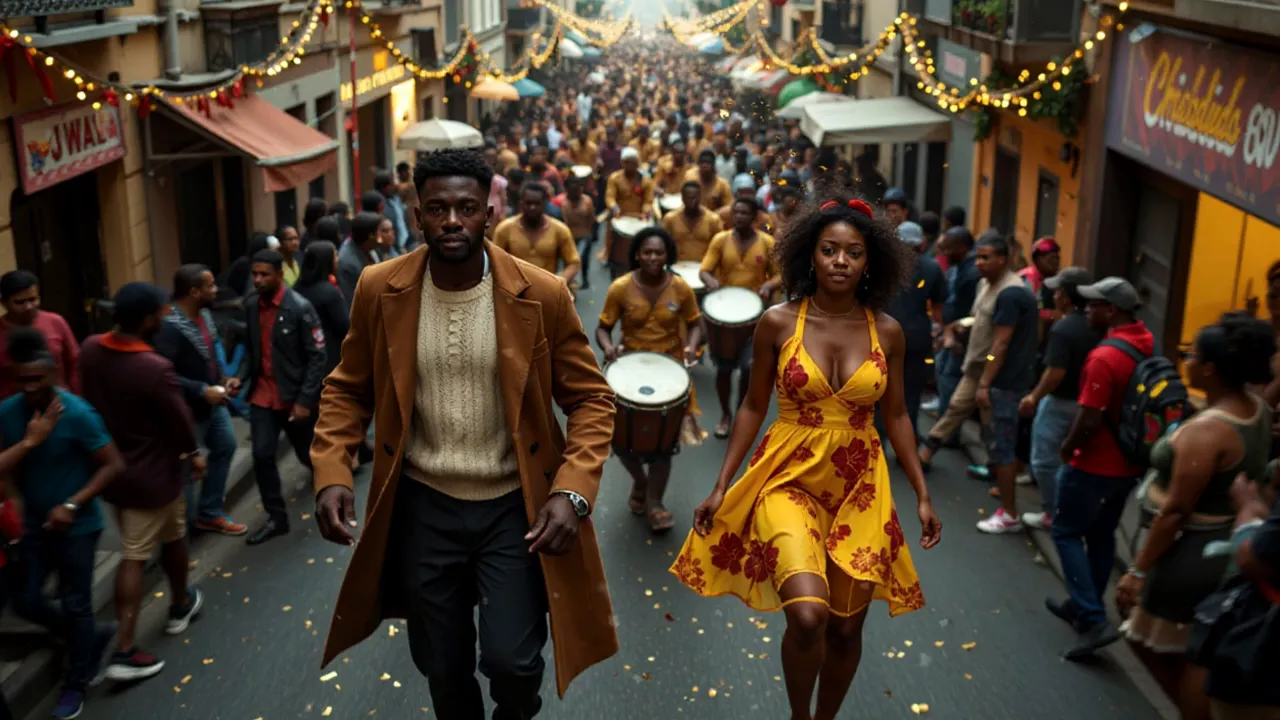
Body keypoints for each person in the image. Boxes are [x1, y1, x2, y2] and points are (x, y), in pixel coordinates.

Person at [310, 148, 618, 719]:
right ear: (418, 214)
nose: (452, 220)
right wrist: (331, 471)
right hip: (424, 507)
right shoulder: (380, 289)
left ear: (488, 211)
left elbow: (593, 400)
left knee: (514, 662)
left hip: (513, 509)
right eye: (438, 209)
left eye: (467, 208)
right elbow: (347, 388)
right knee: (443, 668)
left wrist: (571, 493)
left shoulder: (542, 292)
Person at [671, 188, 941, 720]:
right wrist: (722, 484)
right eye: (829, 249)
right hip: (786, 477)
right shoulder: (777, 321)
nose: (841, 261)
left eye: (854, 252)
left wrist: (923, 494)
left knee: (845, 628)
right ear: (808, 255)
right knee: (810, 616)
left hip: (861, 485)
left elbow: (898, 416)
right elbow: (752, 407)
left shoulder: (888, 331)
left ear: (871, 262)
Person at [1116, 313, 1274, 714]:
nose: (1183, 359)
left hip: (1190, 552)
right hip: (1220, 541)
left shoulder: (1210, 430)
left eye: (1192, 354)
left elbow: (1177, 510)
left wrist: (1137, 571)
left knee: (1161, 643)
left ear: (1210, 368)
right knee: (1195, 643)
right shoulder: (1257, 408)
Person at [79, 282, 206, 684]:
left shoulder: (91, 349)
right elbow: (180, 422)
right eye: (161, 313)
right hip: (153, 475)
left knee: (174, 535)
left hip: (117, 469)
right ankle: (124, 649)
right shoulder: (154, 369)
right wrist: (194, 453)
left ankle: (182, 601)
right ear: (149, 318)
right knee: (135, 554)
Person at [1, 327, 124, 720]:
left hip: (78, 527)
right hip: (32, 526)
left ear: (53, 373)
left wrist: (72, 504)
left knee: (76, 603)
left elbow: (113, 465)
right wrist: (16, 504)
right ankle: (91, 637)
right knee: (25, 599)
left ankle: (76, 682)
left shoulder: (78, 413)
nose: (32, 388)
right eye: (24, 381)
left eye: (39, 379)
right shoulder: (7, 413)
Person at [1050, 277, 1154, 658]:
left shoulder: (1105, 356)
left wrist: (1067, 448)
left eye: (1093, 304)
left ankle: (1093, 618)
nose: (1087, 309)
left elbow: (1090, 418)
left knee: (1064, 531)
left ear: (1111, 310)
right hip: (1128, 464)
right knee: (1101, 534)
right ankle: (1083, 604)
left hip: (1095, 463)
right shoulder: (1145, 341)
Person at [596, 227, 704, 532]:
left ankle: (655, 502)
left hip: (671, 372)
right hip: (628, 369)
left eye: (659, 252)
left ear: (668, 254)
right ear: (637, 255)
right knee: (621, 442)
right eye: (647, 252)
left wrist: (690, 346)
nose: (654, 258)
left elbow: (695, 324)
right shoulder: (620, 287)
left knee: (664, 446)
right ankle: (641, 483)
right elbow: (603, 328)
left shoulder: (681, 288)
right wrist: (607, 347)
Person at [237, 249, 327, 546]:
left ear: (278, 275)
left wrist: (304, 400)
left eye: (264, 274)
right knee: (262, 455)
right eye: (255, 274)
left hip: (293, 397)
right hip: (263, 395)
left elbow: (317, 356)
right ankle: (277, 518)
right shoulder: (251, 306)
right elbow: (252, 349)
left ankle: (332, 494)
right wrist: (240, 376)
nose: (258, 280)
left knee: (307, 454)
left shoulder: (300, 308)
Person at [154, 265, 247, 536]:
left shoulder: (205, 315)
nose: (216, 290)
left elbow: (211, 354)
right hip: (185, 411)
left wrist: (223, 379)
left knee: (226, 446)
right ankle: (181, 534)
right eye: (210, 286)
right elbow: (164, 375)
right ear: (194, 292)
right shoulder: (169, 327)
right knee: (185, 471)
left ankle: (209, 513)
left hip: (212, 403)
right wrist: (200, 389)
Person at [1017, 267, 1099, 531]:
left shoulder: (1064, 329)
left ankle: (1054, 512)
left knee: (1043, 461)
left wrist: (1033, 397)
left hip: (1060, 402)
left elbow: (1055, 372)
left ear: (1066, 296)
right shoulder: (1097, 326)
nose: (1054, 294)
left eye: (1058, 290)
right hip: (1091, 404)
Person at [970, 235, 1040, 534]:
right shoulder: (1018, 290)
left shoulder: (1009, 295)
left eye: (986, 257)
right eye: (978, 257)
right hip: (1018, 380)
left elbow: (999, 343)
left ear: (1003, 259)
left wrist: (984, 382)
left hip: (1006, 384)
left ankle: (1009, 513)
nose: (979, 263)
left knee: (1003, 449)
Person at [700, 196, 781, 438]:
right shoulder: (720, 240)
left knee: (748, 369)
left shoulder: (767, 243)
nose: (739, 217)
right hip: (725, 315)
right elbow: (704, 270)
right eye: (736, 213)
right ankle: (725, 414)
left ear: (755, 217)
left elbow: (780, 276)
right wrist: (711, 281)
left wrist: (768, 286)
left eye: (745, 213)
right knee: (724, 370)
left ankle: (739, 412)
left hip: (755, 318)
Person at [884, 222, 945, 435]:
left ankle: (876, 446)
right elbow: (938, 308)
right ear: (922, 243)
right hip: (917, 339)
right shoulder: (932, 267)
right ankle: (907, 447)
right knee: (910, 395)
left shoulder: (884, 264)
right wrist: (939, 332)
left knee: (879, 393)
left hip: (883, 338)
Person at [0, 270, 79, 399]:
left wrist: (76, 398)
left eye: (33, 299)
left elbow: (75, 365)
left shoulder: (56, 322)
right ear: (3, 303)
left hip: (59, 403)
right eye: (20, 302)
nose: (28, 307)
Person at [493, 183, 582, 289]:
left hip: (549, 291)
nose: (532, 207)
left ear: (545, 204)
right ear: (521, 203)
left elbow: (573, 262)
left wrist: (560, 282)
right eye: (528, 203)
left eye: (537, 203)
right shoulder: (504, 229)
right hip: (514, 293)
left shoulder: (560, 230)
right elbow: (494, 262)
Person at [292, 242, 349, 377]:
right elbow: (345, 327)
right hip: (330, 359)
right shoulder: (330, 293)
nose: (337, 260)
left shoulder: (295, 289)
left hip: (303, 359)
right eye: (335, 256)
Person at [661, 180, 723, 263]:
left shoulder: (713, 219)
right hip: (678, 265)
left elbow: (719, 247)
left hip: (704, 267)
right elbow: (663, 245)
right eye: (689, 198)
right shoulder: (670, 219)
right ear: (682, 198)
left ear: (700, 197)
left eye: (695, 197)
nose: (692, 201)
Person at [557, 174, 597, 289]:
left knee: (582, 259)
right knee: (569, 261)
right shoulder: (562, 203)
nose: (575, 192)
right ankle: (569, 282)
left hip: (584, 235)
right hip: (568, 237)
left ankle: (583, 279)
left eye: (578, 189)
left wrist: (591, 234)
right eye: (572, 190)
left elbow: (591, 218)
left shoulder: (587, 201)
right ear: (567, 190)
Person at [337, 213, 382, 309]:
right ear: (371, 236)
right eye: (378, 231)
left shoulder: (371, 249)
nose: (381, 235)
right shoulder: (348, 263)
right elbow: (352, 302)